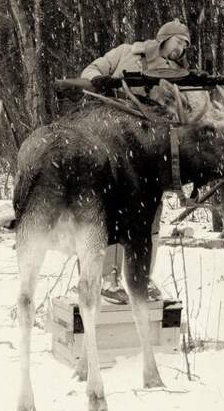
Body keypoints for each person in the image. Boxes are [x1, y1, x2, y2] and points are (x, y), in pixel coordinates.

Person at [81, 20, 191, 304]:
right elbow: (91, 71)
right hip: (113, 142)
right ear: (164, 38)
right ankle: (108, 279)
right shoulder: (127, 52)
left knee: (149, 219)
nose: (182, 48)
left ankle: (141, 277)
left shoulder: (180, 74)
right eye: (179, 41)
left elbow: (185, 111)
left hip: (149, 149)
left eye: (186, 45)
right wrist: (101, 82)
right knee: (112, 215)